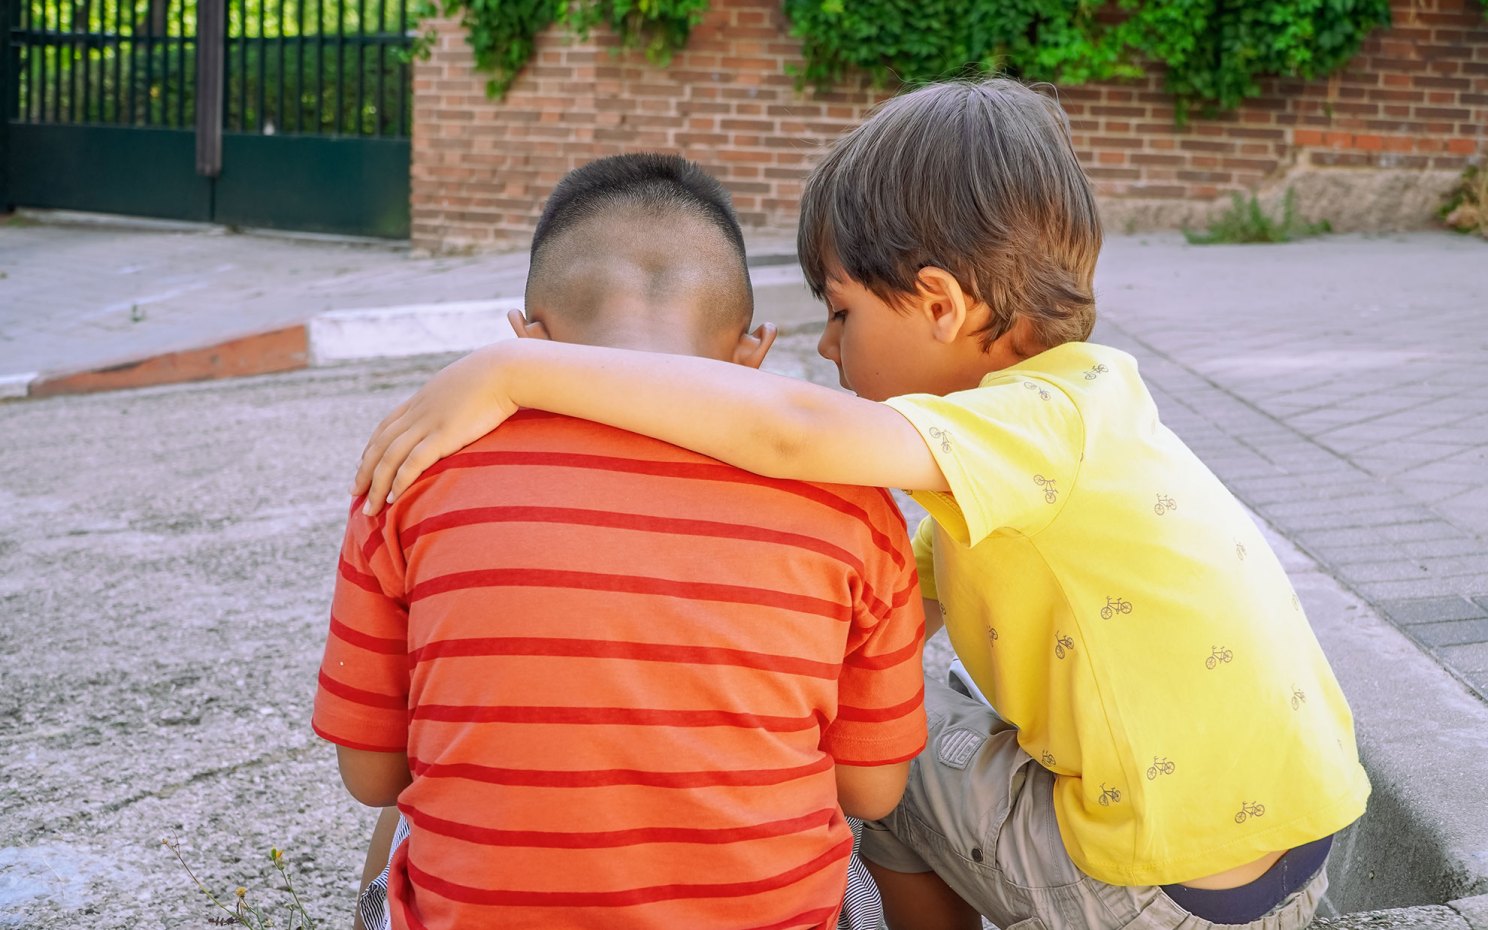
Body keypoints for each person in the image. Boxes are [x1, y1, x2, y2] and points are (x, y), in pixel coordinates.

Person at [350, 79, 1372, 930]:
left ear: (941, 304)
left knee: (893, 771)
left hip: (1163, 889)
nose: (828, 347)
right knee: (893, 720)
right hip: (1275, 857)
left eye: (840, 312)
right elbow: (858, 625)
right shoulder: (1066, 424)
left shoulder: (1040, 423)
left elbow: (791, 433)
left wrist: (518, 374)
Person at [314, 153, 929, 930]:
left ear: (528, 342)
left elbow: (373, 775)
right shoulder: (856, 504)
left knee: (408, 811)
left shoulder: (411, 473)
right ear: (752, 353)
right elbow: (871, 790)